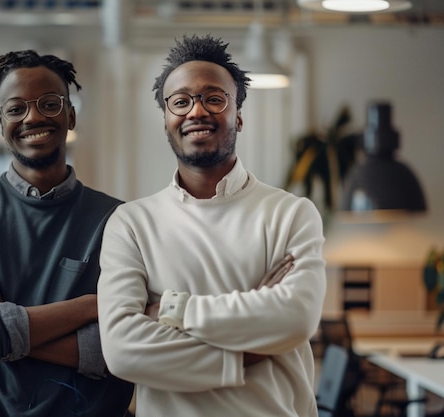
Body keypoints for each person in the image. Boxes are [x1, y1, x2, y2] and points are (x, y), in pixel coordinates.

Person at [97, 34, 326, 416]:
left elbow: (296, 319)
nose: (196, 111)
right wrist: (245, 350)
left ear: (237, 114)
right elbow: (123, 352)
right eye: (181, 102)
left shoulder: (291, 214)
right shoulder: (132, 224)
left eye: (214, 98)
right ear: (166, 120)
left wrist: (173, 309)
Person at [0, 50, 133, 417]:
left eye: (49, 103)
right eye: (15, 108)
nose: (33, 116)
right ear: (1, 122)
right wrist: (93, 306)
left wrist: (2, 318)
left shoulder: (119, 219)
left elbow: (124, 348)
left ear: (71, 115)